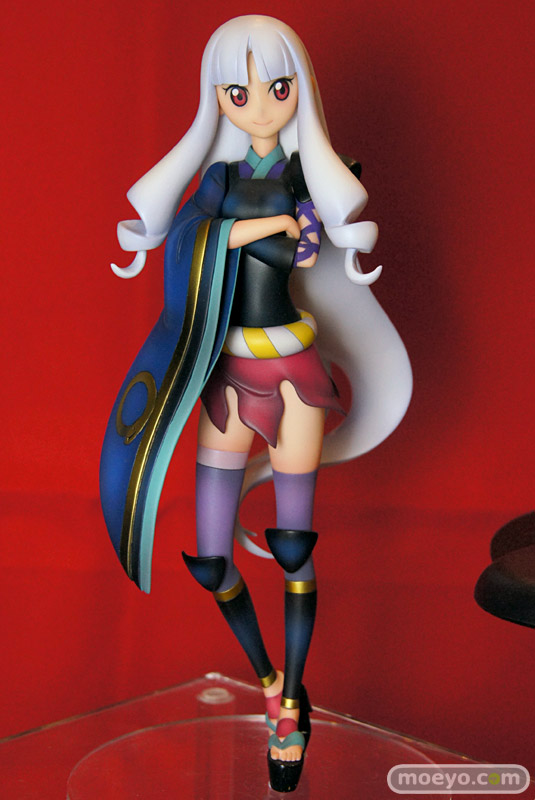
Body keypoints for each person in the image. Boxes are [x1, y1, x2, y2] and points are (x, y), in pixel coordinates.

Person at [100, 15, 412, 792]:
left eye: (276, 88)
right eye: (238, 93)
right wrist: (259, 224)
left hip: (294, 371)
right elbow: (185, 244)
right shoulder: (217, 181)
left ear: (297, 89)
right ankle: (269, 679)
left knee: (294, 548)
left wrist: (271, 226)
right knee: (212, 561)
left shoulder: (311, 174)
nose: (260, 107)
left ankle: (291, 707)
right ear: (217, 99)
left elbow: (301, 244)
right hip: (228, 377)